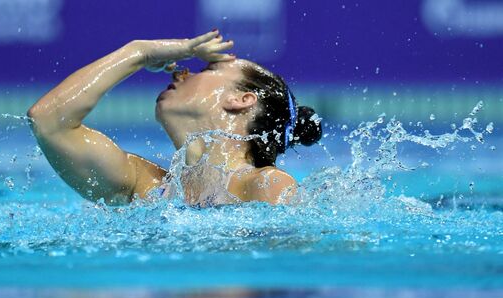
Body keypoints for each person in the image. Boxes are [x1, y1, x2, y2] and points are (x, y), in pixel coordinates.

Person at [27, 30, 322, 207]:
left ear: (242, 100)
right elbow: (48, 121)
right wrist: (139, 52)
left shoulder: (266, 185)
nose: (181, 72)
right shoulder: (144, 186)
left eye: (206, 70)